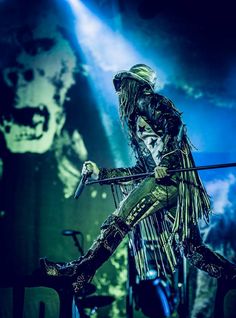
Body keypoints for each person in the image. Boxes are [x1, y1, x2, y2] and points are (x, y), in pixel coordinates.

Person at [40, 64, 236, 293]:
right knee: (192, 248)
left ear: (136, 85)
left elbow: (175, 126)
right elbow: (140, 170)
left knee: (118, 220)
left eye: (124, 86)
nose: (121, 93)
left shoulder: (148, 101)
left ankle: (79, 272)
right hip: (174, 187)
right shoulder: (137, 121)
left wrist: (166, 163)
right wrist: (101, 173)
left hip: (169, 183)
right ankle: (231, 273)